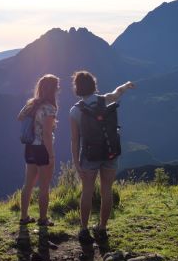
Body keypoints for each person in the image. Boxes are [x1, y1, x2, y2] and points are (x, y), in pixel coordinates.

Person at [69, 71, 135, 244]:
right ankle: (102, 228)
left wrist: (77, 163)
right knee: (107, 190)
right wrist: (126, 84)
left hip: (89, 156)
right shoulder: (105, 99)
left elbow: (75, 141)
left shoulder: (75, 111)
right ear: (93, 85)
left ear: (77, 88)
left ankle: (84, 229)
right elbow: (117, 92)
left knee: (87, 191)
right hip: (110, 152)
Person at [17, 74, 59, 226]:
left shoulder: (31, 104)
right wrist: (51, 155)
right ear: (52, 89)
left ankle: (24, 217)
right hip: (43, 149)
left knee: (28, 184)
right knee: (44, 187)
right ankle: (43, 219)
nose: (58, 89)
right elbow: (47, 134)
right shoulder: (50, 108)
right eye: (57, 87)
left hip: (29, 147)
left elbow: (19, 117)